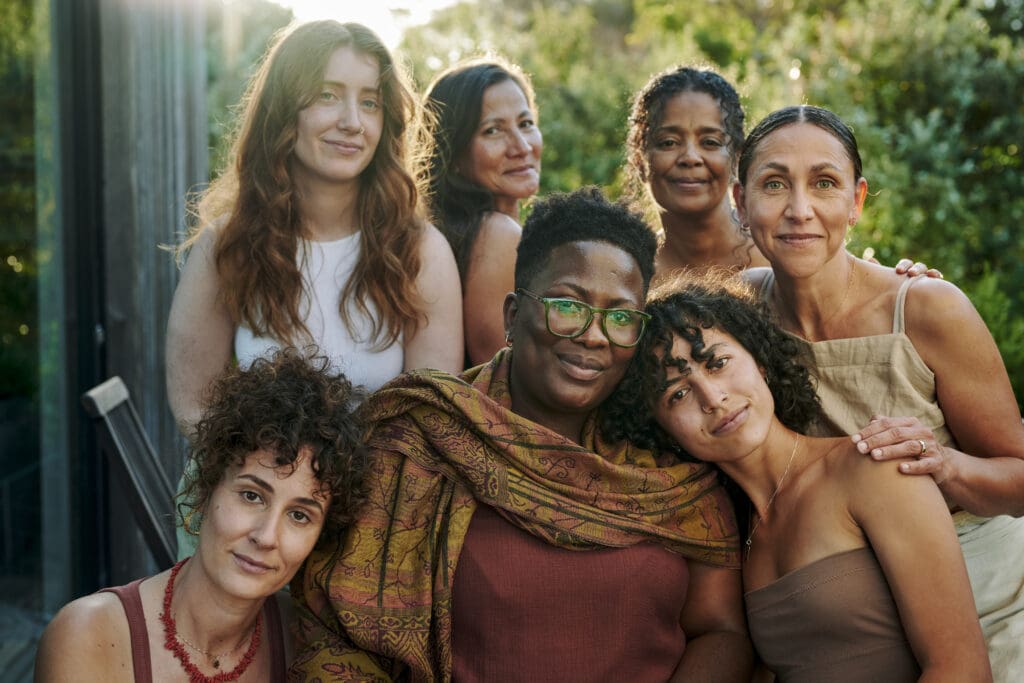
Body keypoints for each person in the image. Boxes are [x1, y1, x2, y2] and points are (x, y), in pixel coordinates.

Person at [289, 188, 750, 682]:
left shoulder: (667, 451)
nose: (594, 335)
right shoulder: (424, 436)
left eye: (620, 317)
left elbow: (720, 631)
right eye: (569, 306)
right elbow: (333, 628)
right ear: (513, 315)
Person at [734, 104, 1024, 679]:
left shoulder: (926, 309)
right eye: (773, 184)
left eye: (824, 183)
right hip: (850, 618)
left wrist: (945, 465)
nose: (799, 209)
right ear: (740, 204)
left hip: (984, 597)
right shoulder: (741, 314)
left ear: (857, 202)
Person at [605, 274, 991, 681]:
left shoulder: (873, 467)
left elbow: (962, 669)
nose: (712, 399)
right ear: (662, 430)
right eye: (678, 394)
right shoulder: (732, 532)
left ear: (760, 361)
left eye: (717, 364)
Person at [167, 19, 463, 434]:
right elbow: (194, 411)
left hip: (384, 493)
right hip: (258, 487)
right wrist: (281, 489)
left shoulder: (420, 251)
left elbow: (431, 424)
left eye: (370, 102)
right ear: (285, 110)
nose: (352, 122)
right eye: (328, 95)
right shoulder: (228, 244)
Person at [35, 349, 369, 682]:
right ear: (206, 489)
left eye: (299, 515)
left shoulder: (308, 645)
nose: (266, 536)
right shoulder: (87, 637)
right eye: (251, 496)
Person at [624, 65, 934, 282]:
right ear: (639, 158)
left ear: (737, 158)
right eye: (668, 142)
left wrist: (904, 285)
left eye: (710, 141)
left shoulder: (789, 246)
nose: (690, 157)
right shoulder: (627, 274)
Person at [421, 57, 543, 367]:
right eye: (493, 131)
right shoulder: (496, 235)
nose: (521, 146)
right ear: (453, 153)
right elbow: (501, 377)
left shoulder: (466, 233)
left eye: (526, 124)